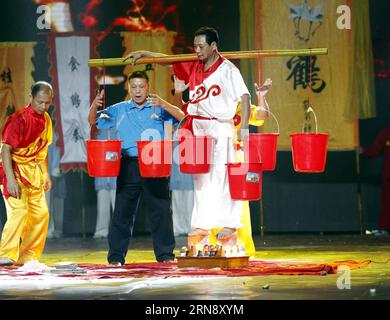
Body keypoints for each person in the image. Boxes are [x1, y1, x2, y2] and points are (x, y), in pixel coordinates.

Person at [124, 26, 251, 241]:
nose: (198, 50)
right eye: (195, 46)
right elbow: (169, 60)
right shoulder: (194, 65)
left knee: (222, 175)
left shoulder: (228, 70)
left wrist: (245, 130)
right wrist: (146, 55)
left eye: (202, 46)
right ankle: (203, 224)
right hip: (197, 127)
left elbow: (245, 98)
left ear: (214, 46)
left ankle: (229, 224)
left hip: (219, 126)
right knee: (200, 178)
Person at [88, 70, 185, 266]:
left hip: (155, 163)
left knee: (161, 210)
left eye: (141, 86)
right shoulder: (119, 109)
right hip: (129, 164)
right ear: (129, 88)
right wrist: (94, 105)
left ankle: (165, 255)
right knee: (122, 212)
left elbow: (182, 117)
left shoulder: (158, 107)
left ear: (148, 87)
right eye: (134, 87)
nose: (138, 91)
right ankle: (116, 257)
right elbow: (93, 121)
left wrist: (164, 103)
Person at [0, 81, 53, 266]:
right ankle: (6, 253)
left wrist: (45, 173)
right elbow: (5, 151)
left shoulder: (46, 119)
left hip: (31, 171)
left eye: (47, 103)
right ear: (31, 98)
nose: (43, 107)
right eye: (40, 102)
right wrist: (11, 180)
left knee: (41, 214)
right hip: (12, 168)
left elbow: (42, 149)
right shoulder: (18, 119)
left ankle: (28, 256)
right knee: (19, 210)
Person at [361, 126, 390, 236]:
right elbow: (375, 149)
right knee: (387, 202)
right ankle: (384, 228)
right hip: (388, 175)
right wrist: (363, 151)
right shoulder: (386, 132)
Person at [93, 127, 117, 239]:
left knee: (118, 207)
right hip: (102, 174)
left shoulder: (118, 131)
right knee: (102, 207)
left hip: (115, 175)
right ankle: (101, 230)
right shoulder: (98, 133)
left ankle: (119, 232)